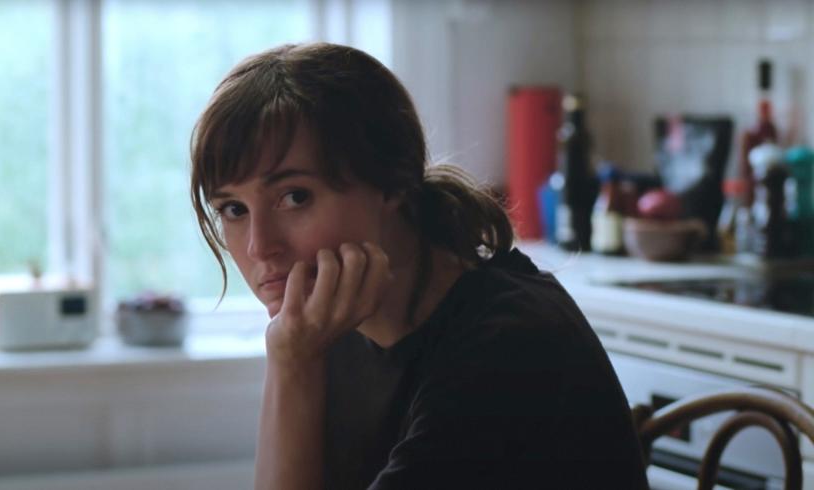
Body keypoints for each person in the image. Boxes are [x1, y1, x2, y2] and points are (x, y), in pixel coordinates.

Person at [190, 42, 649, 490]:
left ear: (392, 184)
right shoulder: (327, 327)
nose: (259, 246)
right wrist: (292, 358)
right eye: (233, 209)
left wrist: (291, 362)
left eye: (294, 197)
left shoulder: (508, 346)